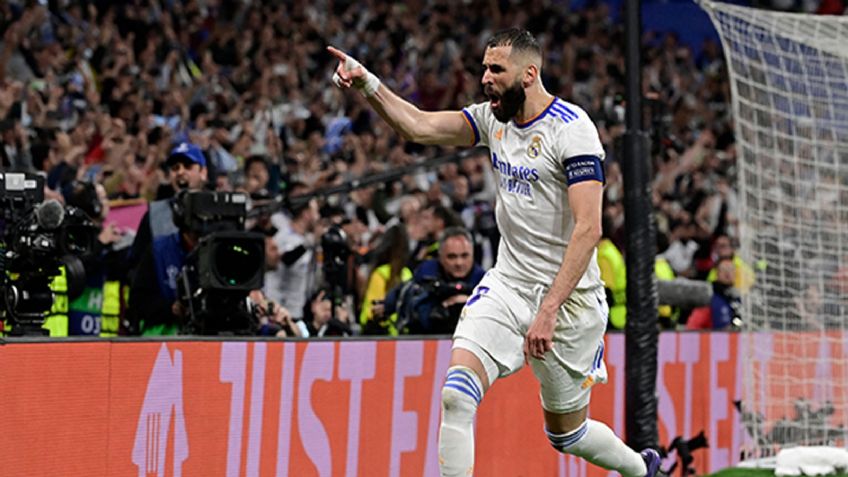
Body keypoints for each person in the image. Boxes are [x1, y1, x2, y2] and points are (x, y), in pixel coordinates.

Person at [329, 28, 662, 477]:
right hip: (508, 285)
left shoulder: (572, 129)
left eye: (495, 70)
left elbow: (588, 228)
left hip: (569, 302)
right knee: (456, 395)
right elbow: (419, 126)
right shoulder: (493, 119)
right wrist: (368, 81)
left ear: (529, 74)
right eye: (484, 68)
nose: (485, 78)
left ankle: (641, 469)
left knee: (567, 434)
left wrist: (549, 308)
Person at [375, 226, 485, 335]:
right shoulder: (425, 274)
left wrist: (470, 305)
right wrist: (441, 307)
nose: (459, 263)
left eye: (465, 256)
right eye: (452, 257)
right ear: (440, 256)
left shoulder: (485, 281)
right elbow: (405, 296)